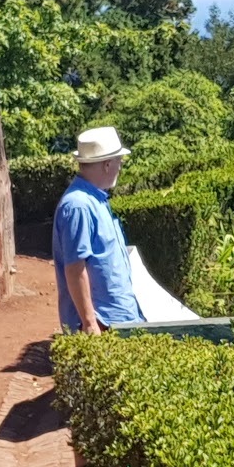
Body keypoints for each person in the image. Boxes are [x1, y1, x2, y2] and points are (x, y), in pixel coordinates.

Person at [53, 126, 142, 332]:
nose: (120, 167)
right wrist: (90, 322)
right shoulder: (79, 206)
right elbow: (75, 268)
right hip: (103, 324)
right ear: (107, 164)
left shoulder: (95, 200)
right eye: (119, 161)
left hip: (117, 320)